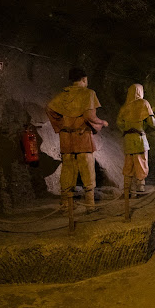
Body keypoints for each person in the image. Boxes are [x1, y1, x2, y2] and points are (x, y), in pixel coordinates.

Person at [46, 68, 109, 212]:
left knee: (68, 169)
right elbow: (89, 117)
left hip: (66, 138)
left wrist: (61, 125)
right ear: (84, 79)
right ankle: (90, 204)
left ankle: (65, 203)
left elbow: (49, 108)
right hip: (82, 137)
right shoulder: (89, 93)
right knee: (87, 169)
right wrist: (102, 123)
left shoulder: (63, 95)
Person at [116, 84, 155, 198]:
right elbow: (153, 123)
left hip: (128, 140)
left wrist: (128, 128)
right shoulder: (143, 103)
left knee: (128, 164)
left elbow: (119, 123)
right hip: (140, 139)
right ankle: (140, 189)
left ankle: (127, 191)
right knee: (141, 162)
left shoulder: (124, 107)